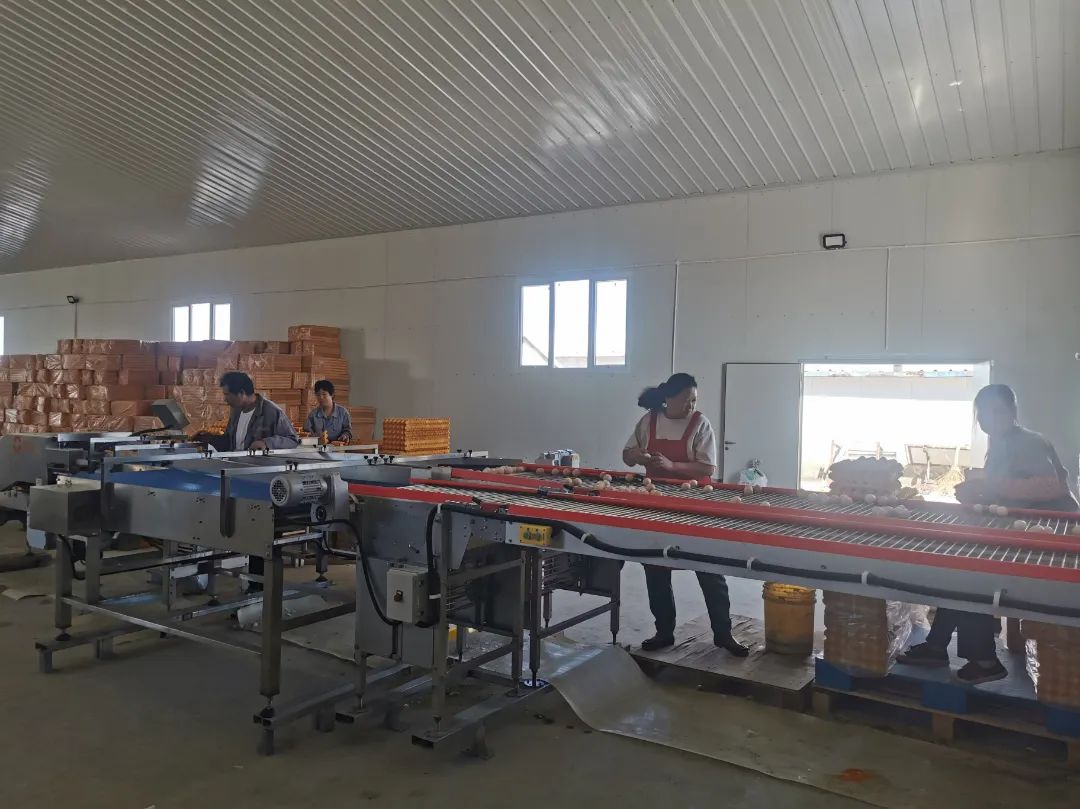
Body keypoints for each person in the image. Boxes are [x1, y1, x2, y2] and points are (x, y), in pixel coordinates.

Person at [898, 384, 1078, 683]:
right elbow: (1007, 491)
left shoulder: (1029, 442)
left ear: (1013, 412)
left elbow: (1049, 486)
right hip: (1022, 532)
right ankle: (936, 646)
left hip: (1052, 539)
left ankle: (984, 661)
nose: (988, 419)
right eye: (982, 413)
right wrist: (977, 494)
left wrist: (988, 487)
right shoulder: (1000, 445)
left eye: (997, 411)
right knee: (959, 570)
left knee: (972, 579)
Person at [622, 373, 749, 657]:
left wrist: (672, 465)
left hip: (695, 505)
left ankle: (723, 634)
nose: (691, 406)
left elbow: (707, 468)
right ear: (668, 398)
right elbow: (627, 455)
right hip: (659, 505)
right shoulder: (649, 421)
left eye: (694, 400)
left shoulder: (700, 423)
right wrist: (638, 456)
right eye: (685, 400)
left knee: (709, 567)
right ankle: (664, 632)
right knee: (655, 566)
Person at [219, 371, 299, 451]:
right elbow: (229, 440)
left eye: (227, 394)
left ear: (242, 393)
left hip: (257, 459)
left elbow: (292, 440)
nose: (225, 399)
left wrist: (266, 443)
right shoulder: (236, 411)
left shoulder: (271, 412)